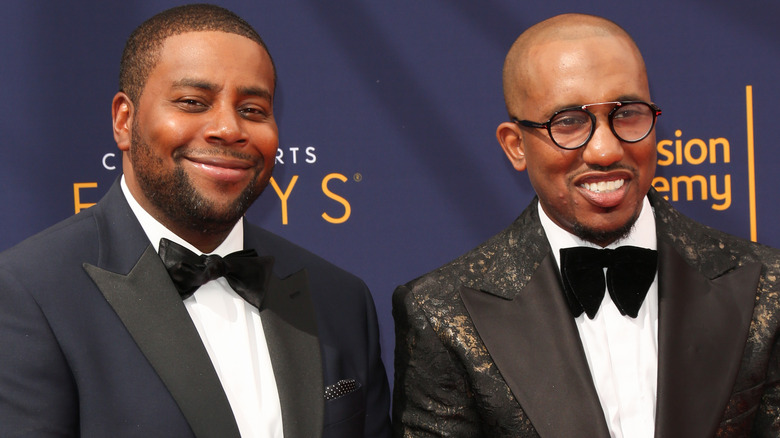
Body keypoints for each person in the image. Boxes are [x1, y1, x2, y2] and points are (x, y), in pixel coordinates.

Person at [0, 4, 391, 437]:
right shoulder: (28, 294)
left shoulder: (339, 297)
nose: (228, 128)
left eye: (254, 109)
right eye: (192, 102)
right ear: (124, 120)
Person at [392, 13, 779, 437]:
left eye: (627, 113)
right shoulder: (443, 312)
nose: (605, 149)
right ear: (515, 146)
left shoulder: (767, 287)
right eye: (569, 123)